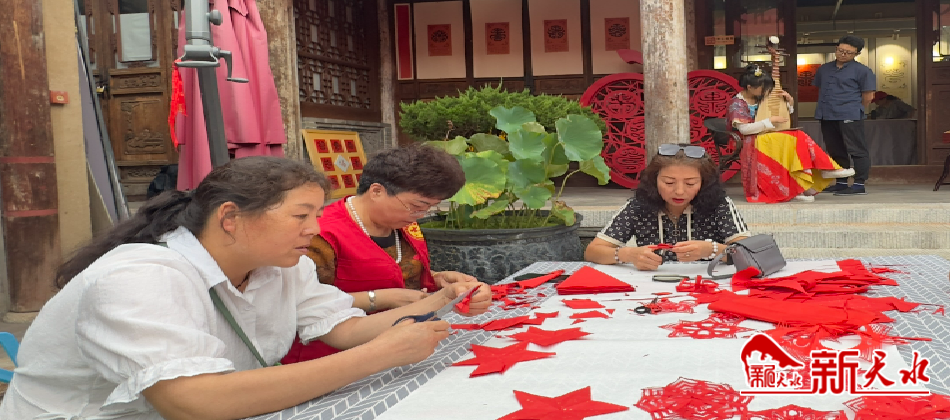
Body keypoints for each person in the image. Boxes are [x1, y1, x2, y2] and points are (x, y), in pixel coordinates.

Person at [0, 156, 490, 420]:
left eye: (316, 214)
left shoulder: (282, 265)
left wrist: (442, 299)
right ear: (230, 218)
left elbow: (341, 329)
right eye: (301, 215)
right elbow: (193, 402)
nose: (315, 229)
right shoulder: (141, 276)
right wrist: (380, 355)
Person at [281, 146, 477, 364]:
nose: (420, 215)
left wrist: (437, 277)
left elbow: (394, 270)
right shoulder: (319, 234)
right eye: (417, 206)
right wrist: (384, 298)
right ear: (376, 191)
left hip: (408, 342)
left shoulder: (401, 222)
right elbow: (300, 302)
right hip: (335, 357)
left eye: (430, 208)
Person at [584, 144, 751, 271]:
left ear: (704, 183)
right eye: (669, 182)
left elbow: (750, 253)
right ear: (654, 180)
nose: (679, 191)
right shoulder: (638, 206)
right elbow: (592, 252)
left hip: (708, 282)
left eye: (690, 183)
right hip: (651, 284)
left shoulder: (719, 205)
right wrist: (628, 254)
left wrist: (712, 250)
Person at [727, 64, 855, 203]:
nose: (765, 90)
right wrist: (769, 121)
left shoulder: (760, 97)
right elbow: (744, 130)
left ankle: (811, 178)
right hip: (749, 140)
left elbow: (780, 114)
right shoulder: (737, 103)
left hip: (766, 135)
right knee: (794, 139)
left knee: (797, 137)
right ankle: (819, 173)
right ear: (749, 87)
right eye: (762, 87)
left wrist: (789, 102)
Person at [813, 35, 877, 196]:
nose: (843, 54)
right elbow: (819, 89)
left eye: (848, 52)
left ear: (856, 54)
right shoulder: (824, 69)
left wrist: (854, 109)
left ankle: (859, 184)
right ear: (836, 48)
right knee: (835, 148)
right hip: (827, 114)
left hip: (850, 114)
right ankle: (841, 182)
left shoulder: (863, 71)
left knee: (857, 149)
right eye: (840, 50)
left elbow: (868, 97)